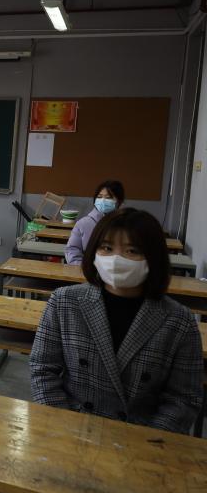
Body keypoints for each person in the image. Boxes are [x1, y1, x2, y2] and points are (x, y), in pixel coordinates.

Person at [30, 208, 202, 433]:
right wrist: (65, 427)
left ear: (153, 257)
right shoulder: (64, 302)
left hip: (140, 437)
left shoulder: (179, 321)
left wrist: (147, 442)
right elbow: (42, 370)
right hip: (72, 429)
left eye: (132, 251)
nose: (116, 259)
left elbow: (183, 399)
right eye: (107, 248)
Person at [65, 179, 125, 265]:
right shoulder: (83, 224)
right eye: (99, 197)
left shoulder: (126, 225)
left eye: (108, 197)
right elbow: (72, 249)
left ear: (119, 201)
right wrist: (84, 267)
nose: (103, 200)